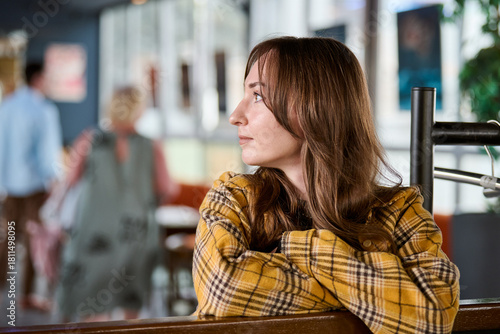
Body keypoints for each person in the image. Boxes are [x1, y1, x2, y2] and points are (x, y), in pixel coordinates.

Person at [192, 36, 460, 334]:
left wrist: (306, 249)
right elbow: (223, 290)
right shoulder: (233, 200)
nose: (235, 117)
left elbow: (431, 319)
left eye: (257, 96)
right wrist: (370, 298)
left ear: (314, 106)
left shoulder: (399, 212)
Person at [56, 85, 179, 322]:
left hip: (93, 233)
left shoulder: (89, 139)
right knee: (130, 303)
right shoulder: (151, 146)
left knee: (92, 302)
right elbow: (167, 189)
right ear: (139, 110)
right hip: (137, 235)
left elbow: (69, 182)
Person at [0, 62, 62, 310]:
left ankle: (2, 285)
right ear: (38, 78)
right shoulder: (44, 110)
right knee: (37, 239)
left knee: (10, 236)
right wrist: (55, 180)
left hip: (10, 185)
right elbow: (48, 154)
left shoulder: (8, 105)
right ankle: (26, 295)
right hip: (36, 185)